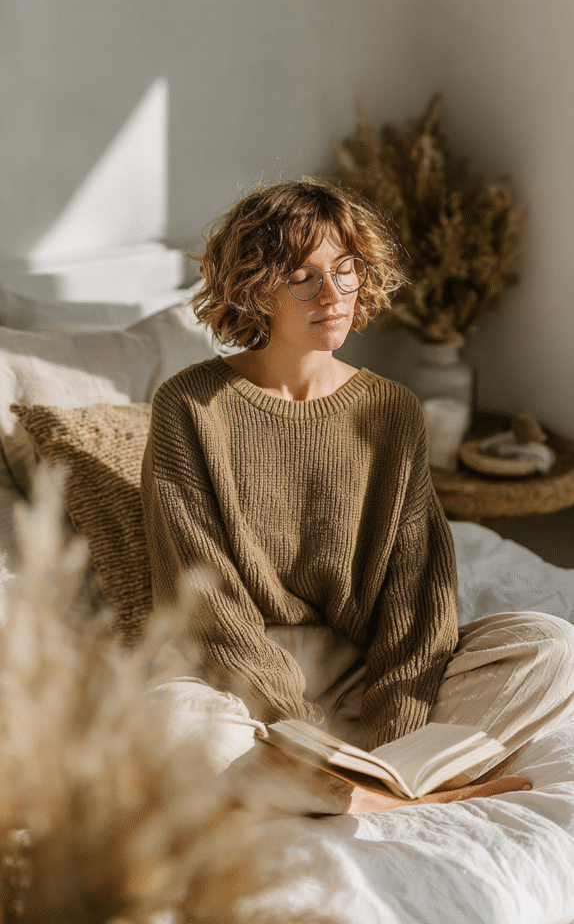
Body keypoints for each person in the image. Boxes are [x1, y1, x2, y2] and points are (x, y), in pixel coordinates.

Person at [141, 177, 574, 814]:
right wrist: (298, 733)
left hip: (365, 673)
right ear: (255, 286)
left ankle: (367, 787)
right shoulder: (188, 407)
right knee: (170, 719)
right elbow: (203, 596)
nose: (335, 295)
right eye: (303, 277)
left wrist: (398, 728)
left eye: (345, 271)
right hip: (241, 683)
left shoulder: (392, 409)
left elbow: (417, 588)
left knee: (549, 646)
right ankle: (379, 790)